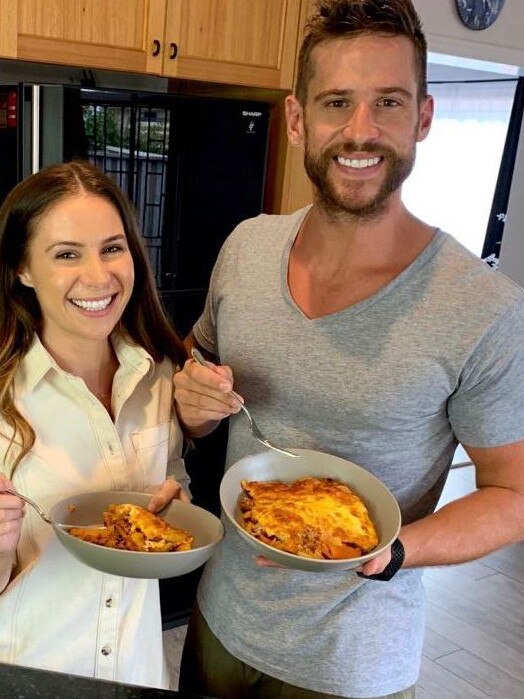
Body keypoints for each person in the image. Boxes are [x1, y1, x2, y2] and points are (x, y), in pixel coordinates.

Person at [172, 0, 524, 697]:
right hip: (220, 623)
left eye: (387, 102)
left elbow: (511, 493)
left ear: (423, 116)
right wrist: (194, 405)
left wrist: (393, 551)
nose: (360, 131)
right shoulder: (246, 247)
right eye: (337, 102)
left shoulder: (482, 307)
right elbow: (196, 377)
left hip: (351, 663)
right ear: (298, 118)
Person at [0, 161, 190, 688]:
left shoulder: (161, 374)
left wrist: (176, 508)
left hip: (137, 668)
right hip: (29, 674)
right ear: (22, 269)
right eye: (66, 254)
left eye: (112, 247)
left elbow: (174, 483)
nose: (99, 276)